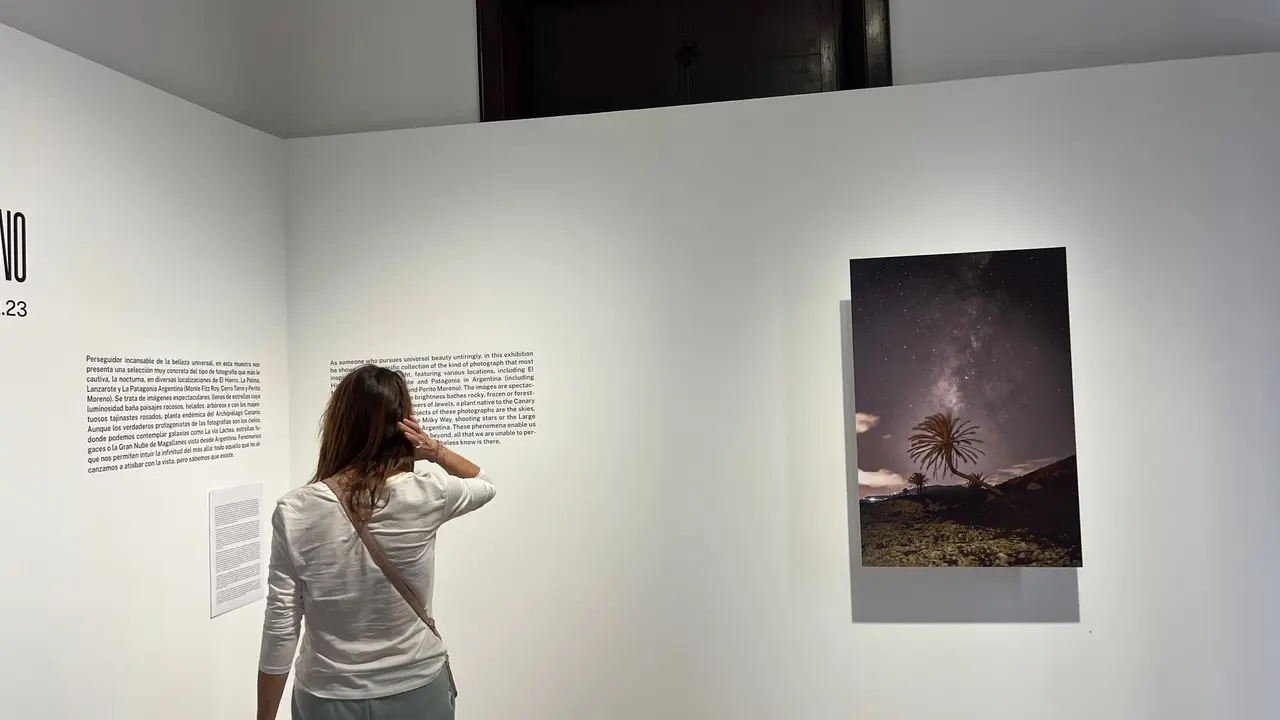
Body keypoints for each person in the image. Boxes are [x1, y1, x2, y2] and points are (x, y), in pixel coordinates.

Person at [256, 364, 497, 720]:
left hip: (328, 697)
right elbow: (486, 483)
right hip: (417, 688)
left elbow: (282, 623)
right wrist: (435, 450)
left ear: (338, 424)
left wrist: (264, 717)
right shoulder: (428, 493)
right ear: (403, 426)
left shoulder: (296, 509)